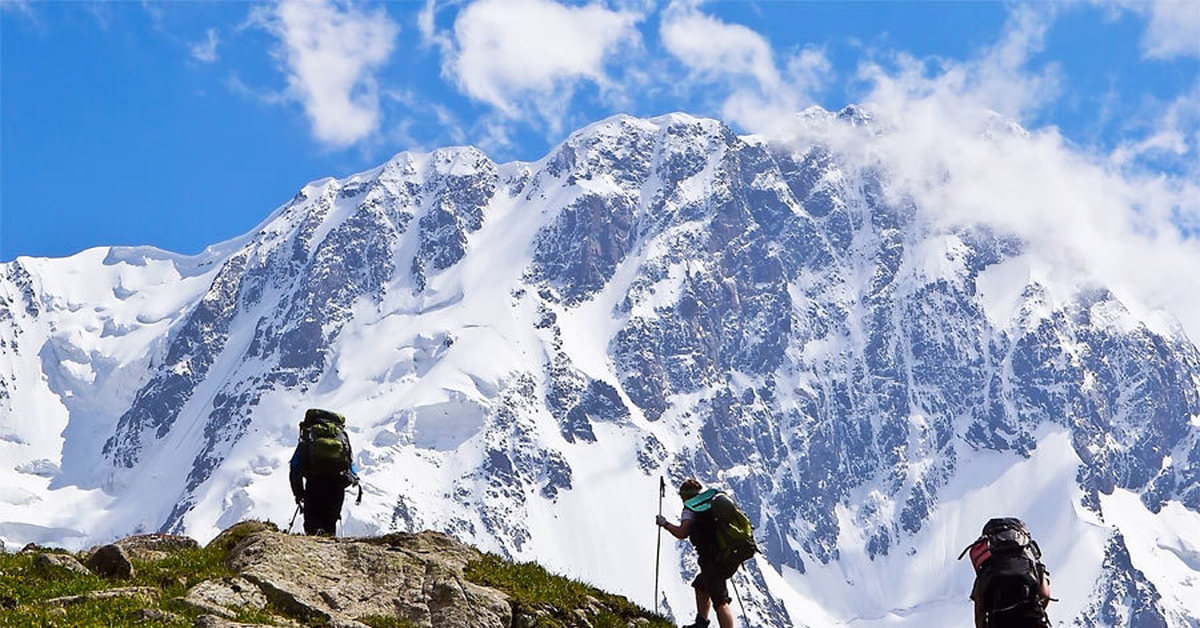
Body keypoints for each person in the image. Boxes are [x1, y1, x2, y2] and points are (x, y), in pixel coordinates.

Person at [656, 479, 735, 628]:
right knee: (701, 585)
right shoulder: (711, 503)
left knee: (720, 600)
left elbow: (682, 533)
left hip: (711, 558)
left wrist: (665, 524)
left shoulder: (690, 508)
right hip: (725, 554)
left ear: (685, 496)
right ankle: (701, 624)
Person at [963, 518, 1052, 628]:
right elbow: (1045, 594)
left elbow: (980, 612)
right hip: (1032, 621)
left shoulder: (987, 569)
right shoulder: (1030, 560)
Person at [289, 408, 357, 536]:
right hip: (336, 486)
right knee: (330, 525)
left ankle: (312, 553)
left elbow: (295, 467)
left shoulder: (309, 435)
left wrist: (299, 494)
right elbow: (352, 468)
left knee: (312, 525)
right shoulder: (341, 437)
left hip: (314, 484)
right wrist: (342, 483)